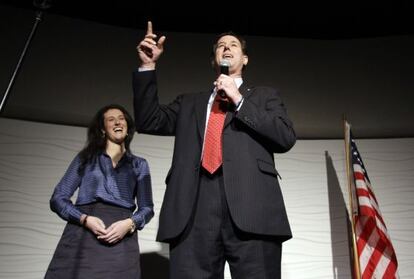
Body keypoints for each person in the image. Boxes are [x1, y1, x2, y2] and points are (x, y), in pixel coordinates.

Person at [133, 21, 296, 279]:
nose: (227, 48)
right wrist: (147, 66)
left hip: (252, 208)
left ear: (244, 59)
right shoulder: (189, 103)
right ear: (214, 60)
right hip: (193, 209)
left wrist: (239, 100)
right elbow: (148, 120)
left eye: (233, 45)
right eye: (221, 46)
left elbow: (285, 137)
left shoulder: (264, 96)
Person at [45, 104, 154, 279]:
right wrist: (84, 219)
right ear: (103, 129)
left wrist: (129, 224)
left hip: (121, 241)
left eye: (121, 118)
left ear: (127, 128)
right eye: (111, 119)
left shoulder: (139, 165)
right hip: (83, 235)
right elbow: (58, 198)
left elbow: (147, 208)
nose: (117, 122)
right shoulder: (85, 158)